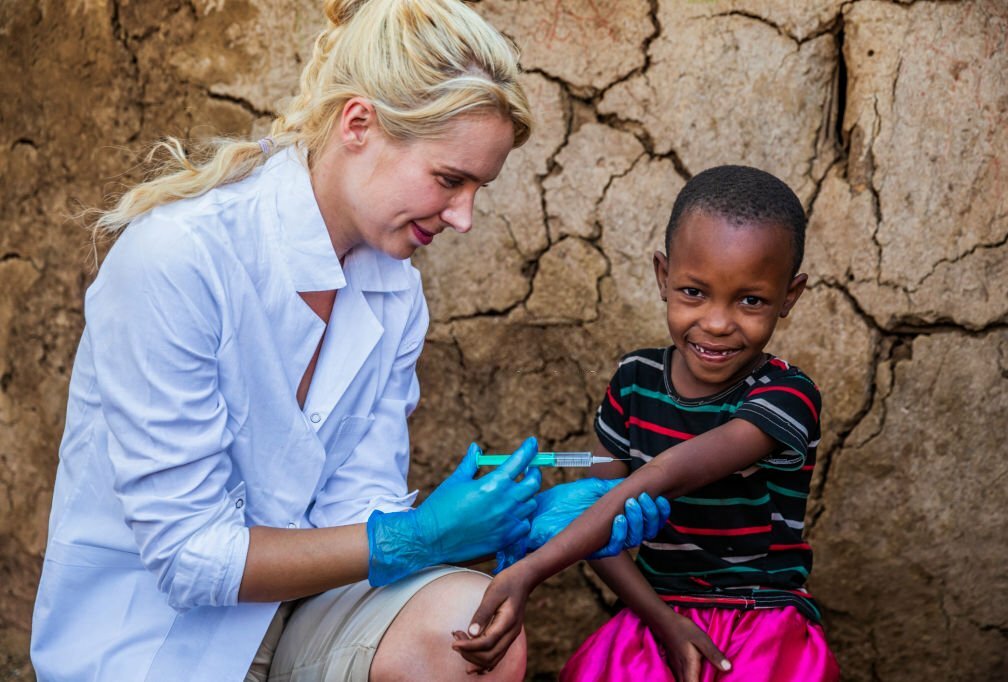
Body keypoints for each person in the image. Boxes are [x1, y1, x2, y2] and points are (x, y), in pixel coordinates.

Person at [29, 1, 669, 680]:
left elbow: (357, 518)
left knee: (470, 631)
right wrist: (418, 535)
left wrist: (517, 529)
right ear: (358, 123)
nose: (464, 218)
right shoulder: (179, 259)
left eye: (477, 188)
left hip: (296, 621)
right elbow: (190, 557)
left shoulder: (394, 292)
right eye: (450, 180)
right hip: (154, 645)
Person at [453, 166, 842, 681]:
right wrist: (660, 619)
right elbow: (598, 513)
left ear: (789, 297)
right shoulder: (635, 381)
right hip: (654, 611)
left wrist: (531, 570)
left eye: (751, 300)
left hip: (760, 616)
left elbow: (662, 474)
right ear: (663, 277)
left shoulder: (787, 396)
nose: (718, 322)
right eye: (693, 292)